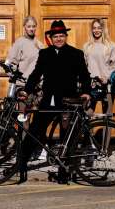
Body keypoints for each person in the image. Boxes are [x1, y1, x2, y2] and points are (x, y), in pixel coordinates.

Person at [22, 20, 91, 182]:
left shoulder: (76, 53)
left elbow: (85, 76)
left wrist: (86, 92)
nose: (59, 39)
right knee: (34, 132)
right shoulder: (45, 54)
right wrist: (27, 90)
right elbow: (35, 74)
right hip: (48, 102)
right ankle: (21, 165)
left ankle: (64, 172)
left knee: (67, 138)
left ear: (65, 36)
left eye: (61, 36)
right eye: (56, 36)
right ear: (51, 38)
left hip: (68, 102)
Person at [83, 18, 115, 116]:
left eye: (99, 28)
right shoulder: (87, 46)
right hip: (92, 85)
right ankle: (87, 132)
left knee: (107, 115)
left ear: (103, 29)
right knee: (87, 113)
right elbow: (83, 66)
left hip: (107, 85)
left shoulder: (111, 46)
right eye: (94, 28)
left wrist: (107, 77)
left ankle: (106, 132)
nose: (96, 30)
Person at [5, 16, 43, 81]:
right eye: (29, 26)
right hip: (22, 85)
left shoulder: (40, 45)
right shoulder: (19, 43)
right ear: (24, 27)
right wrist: (17, 78)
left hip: (37, 85)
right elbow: (9, 63)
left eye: (33, 26)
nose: (31, 29)